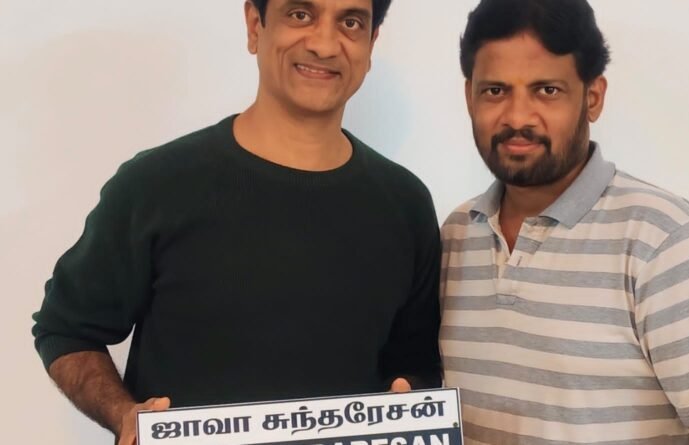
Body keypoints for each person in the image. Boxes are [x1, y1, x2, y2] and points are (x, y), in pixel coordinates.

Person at [31, 1, 442, 444]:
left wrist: (410, 401)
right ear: (254, 25)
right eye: (300, 14)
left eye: (351, 22)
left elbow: (416, 362)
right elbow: (67, 329)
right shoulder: (156, 185)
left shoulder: (406, 205)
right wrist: (124, 414)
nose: (325, 44)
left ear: (371, 43)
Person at [439, 0, 689, 443]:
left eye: (546, 90)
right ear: (469, 97)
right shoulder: (458, 234)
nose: (517, 117)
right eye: (495, 91)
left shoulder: (662, 238)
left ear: (592, 98)